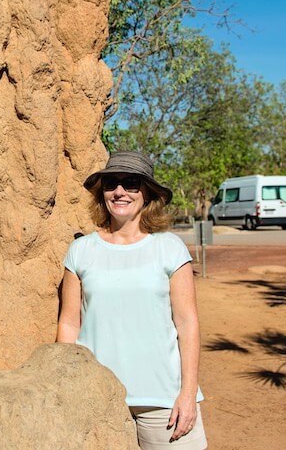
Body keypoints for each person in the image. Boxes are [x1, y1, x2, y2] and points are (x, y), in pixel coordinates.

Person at [56, 152, 207, 449]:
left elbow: (187, 324)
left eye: (131, 183)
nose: (120, 191)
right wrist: (66, 384)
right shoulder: (81, 251)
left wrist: (188, 394)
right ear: (102, 193)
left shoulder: (170, 248)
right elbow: (70, 323)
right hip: (97, 397)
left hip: (163, 402)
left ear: (147, 192)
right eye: (111, 183)